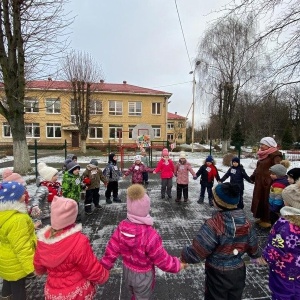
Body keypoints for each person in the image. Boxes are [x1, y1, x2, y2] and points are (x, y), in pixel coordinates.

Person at [100, 184, 186, 299]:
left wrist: (103, 268)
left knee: (132, 292)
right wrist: (177, 265)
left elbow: (111, 251)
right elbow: (161, 259)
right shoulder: (149, 234)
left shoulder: (121, 227)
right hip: (143, 275)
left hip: (127, 271)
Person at [181, 182, 260, 300]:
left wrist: (185, 255)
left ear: (217, 202)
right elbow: (253, 246)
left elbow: (199, 250)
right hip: (238, 270)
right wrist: (256, 255)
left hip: (217, 273)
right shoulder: (246, 222)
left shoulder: (214, 224)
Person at [33, 196, 109, 299]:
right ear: (71, 217)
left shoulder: (43, 240)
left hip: (53, 292)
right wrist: (102, 276)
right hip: (77, 292)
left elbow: (39, 266)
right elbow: (90, 267)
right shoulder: (79, 241)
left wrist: (41, 271)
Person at [262, 180, 300, 300]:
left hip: (285, 270)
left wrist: (263, 259)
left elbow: (276, 247)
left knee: (283, 294)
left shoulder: (285, 225)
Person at [0, 181, 37, 300]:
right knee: (18, 288)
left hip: (6, 258)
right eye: (22, 193)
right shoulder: (17, 219)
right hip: (16, 261)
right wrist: (31, 268)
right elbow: (22, 247)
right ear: (14, 198)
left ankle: (5, 296)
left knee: (8, 279)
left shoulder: (5, 214)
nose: (25, 195)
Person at [250, 137, 283, 228]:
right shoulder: (263, 155)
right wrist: (253, 177)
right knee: (259, 200)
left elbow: (279, 169)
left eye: (263, 144)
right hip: (260, 182)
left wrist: (271, 179)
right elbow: (259, 168)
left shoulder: (275, 155)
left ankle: (268, 219)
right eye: (260, 144)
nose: (261, 146)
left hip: (269, 183)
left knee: (267, 200)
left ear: (269, 145)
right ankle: (262, 217)